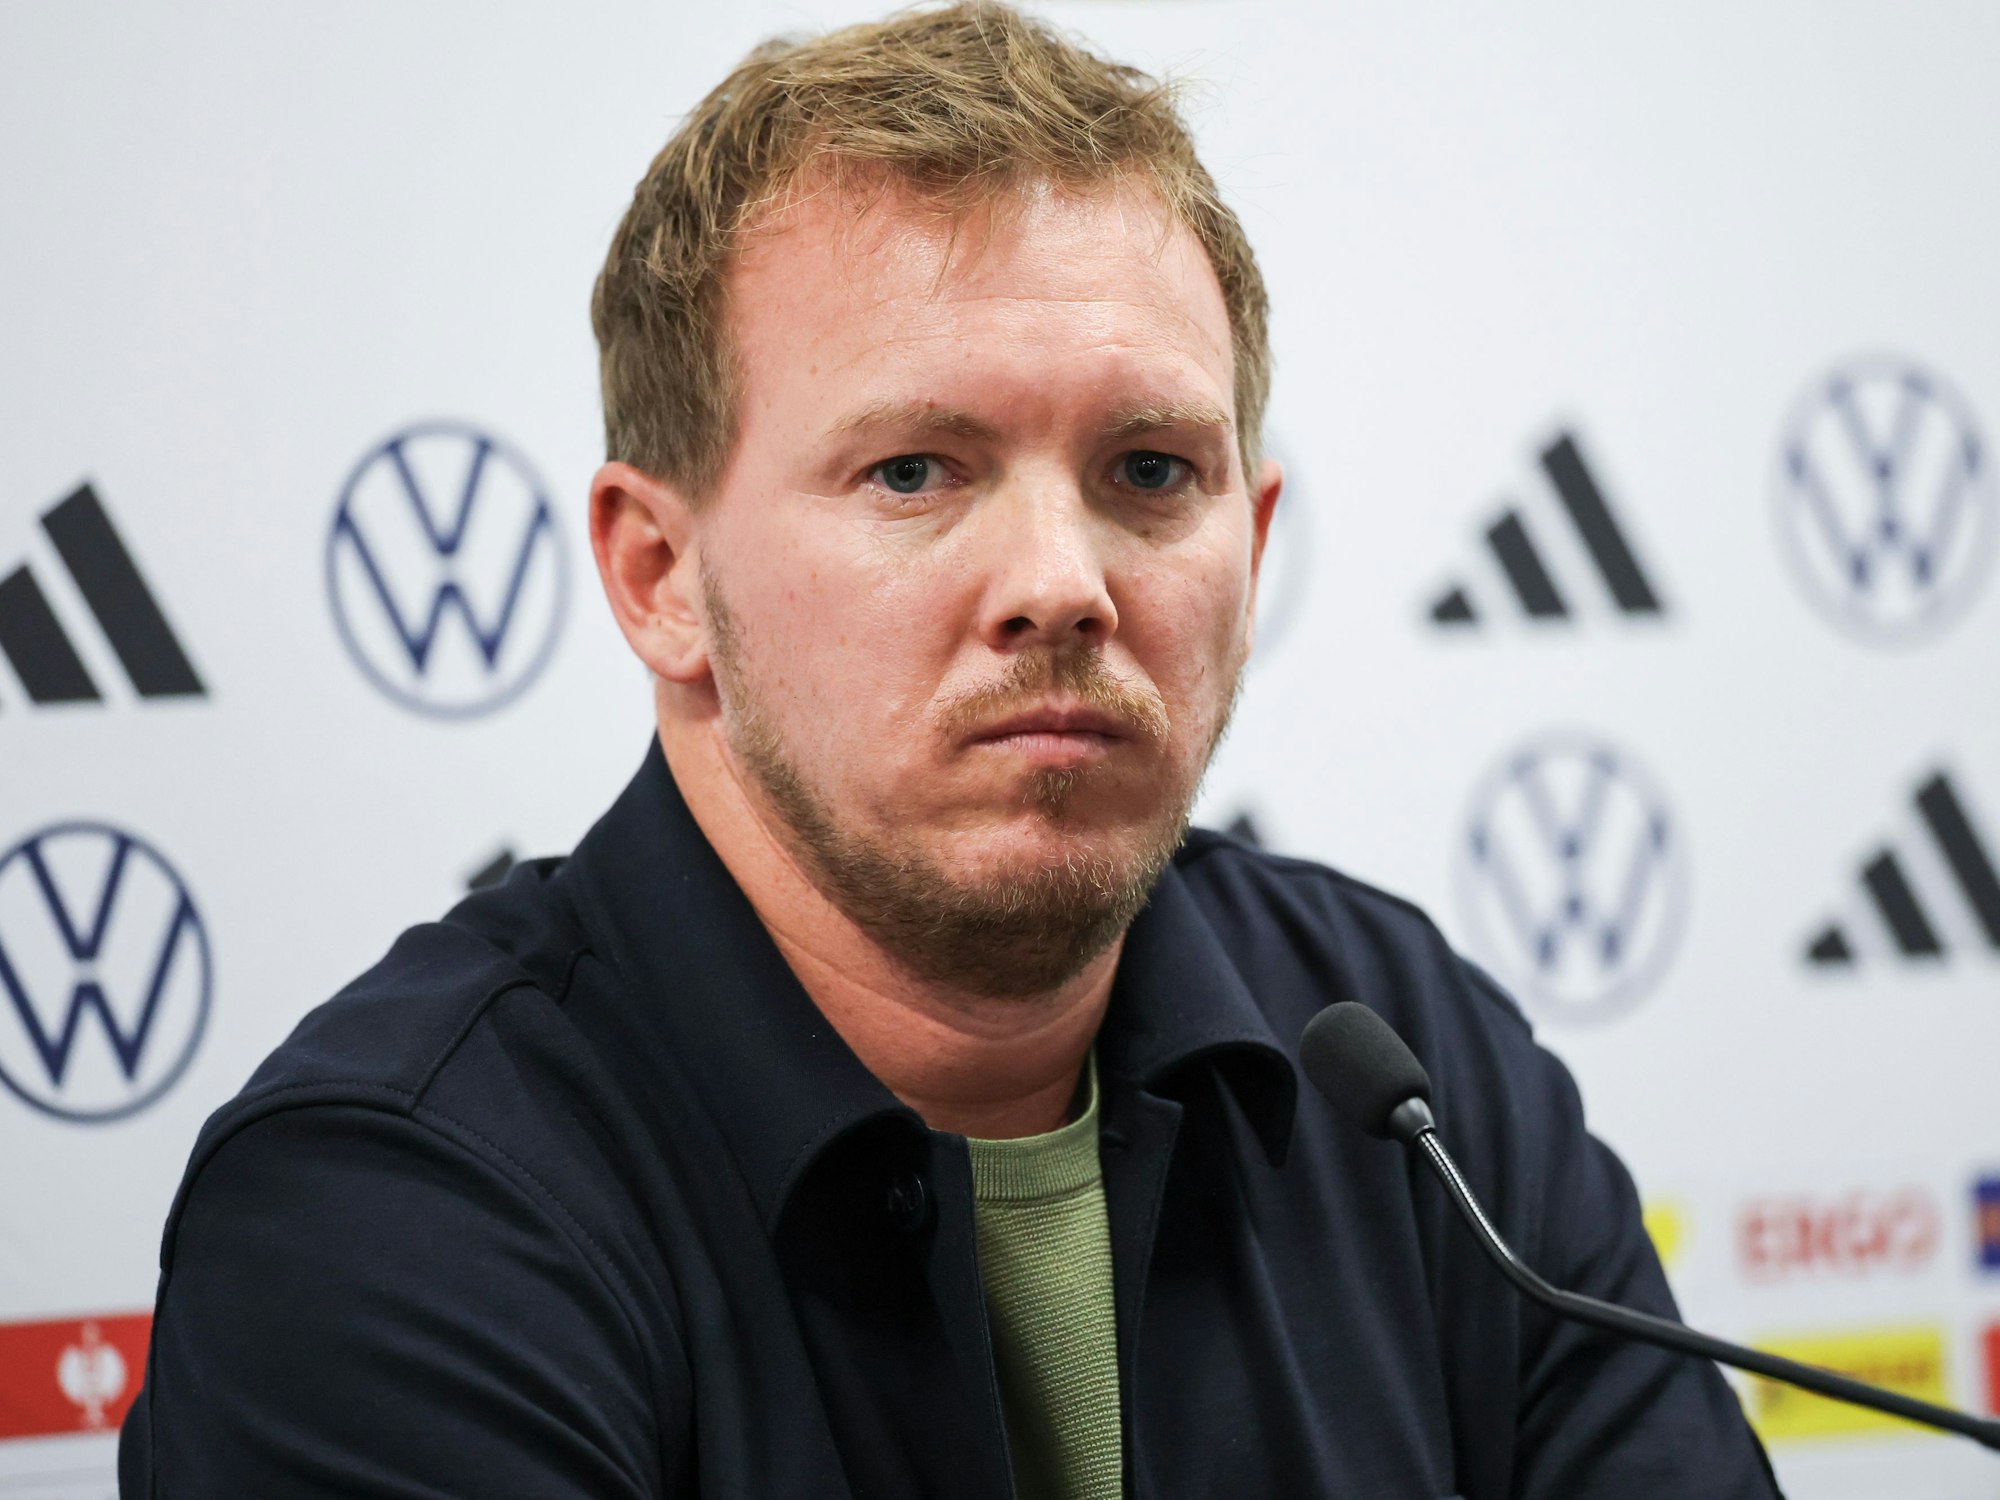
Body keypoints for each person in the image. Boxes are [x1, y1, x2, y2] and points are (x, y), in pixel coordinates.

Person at [120, 5, 1778, 1496]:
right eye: (915, 470)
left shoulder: (1407, 1070)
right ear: (659, 576)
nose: (1061, 585)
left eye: (1148, 472)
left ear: (1253, 549)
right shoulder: (391, 1221)